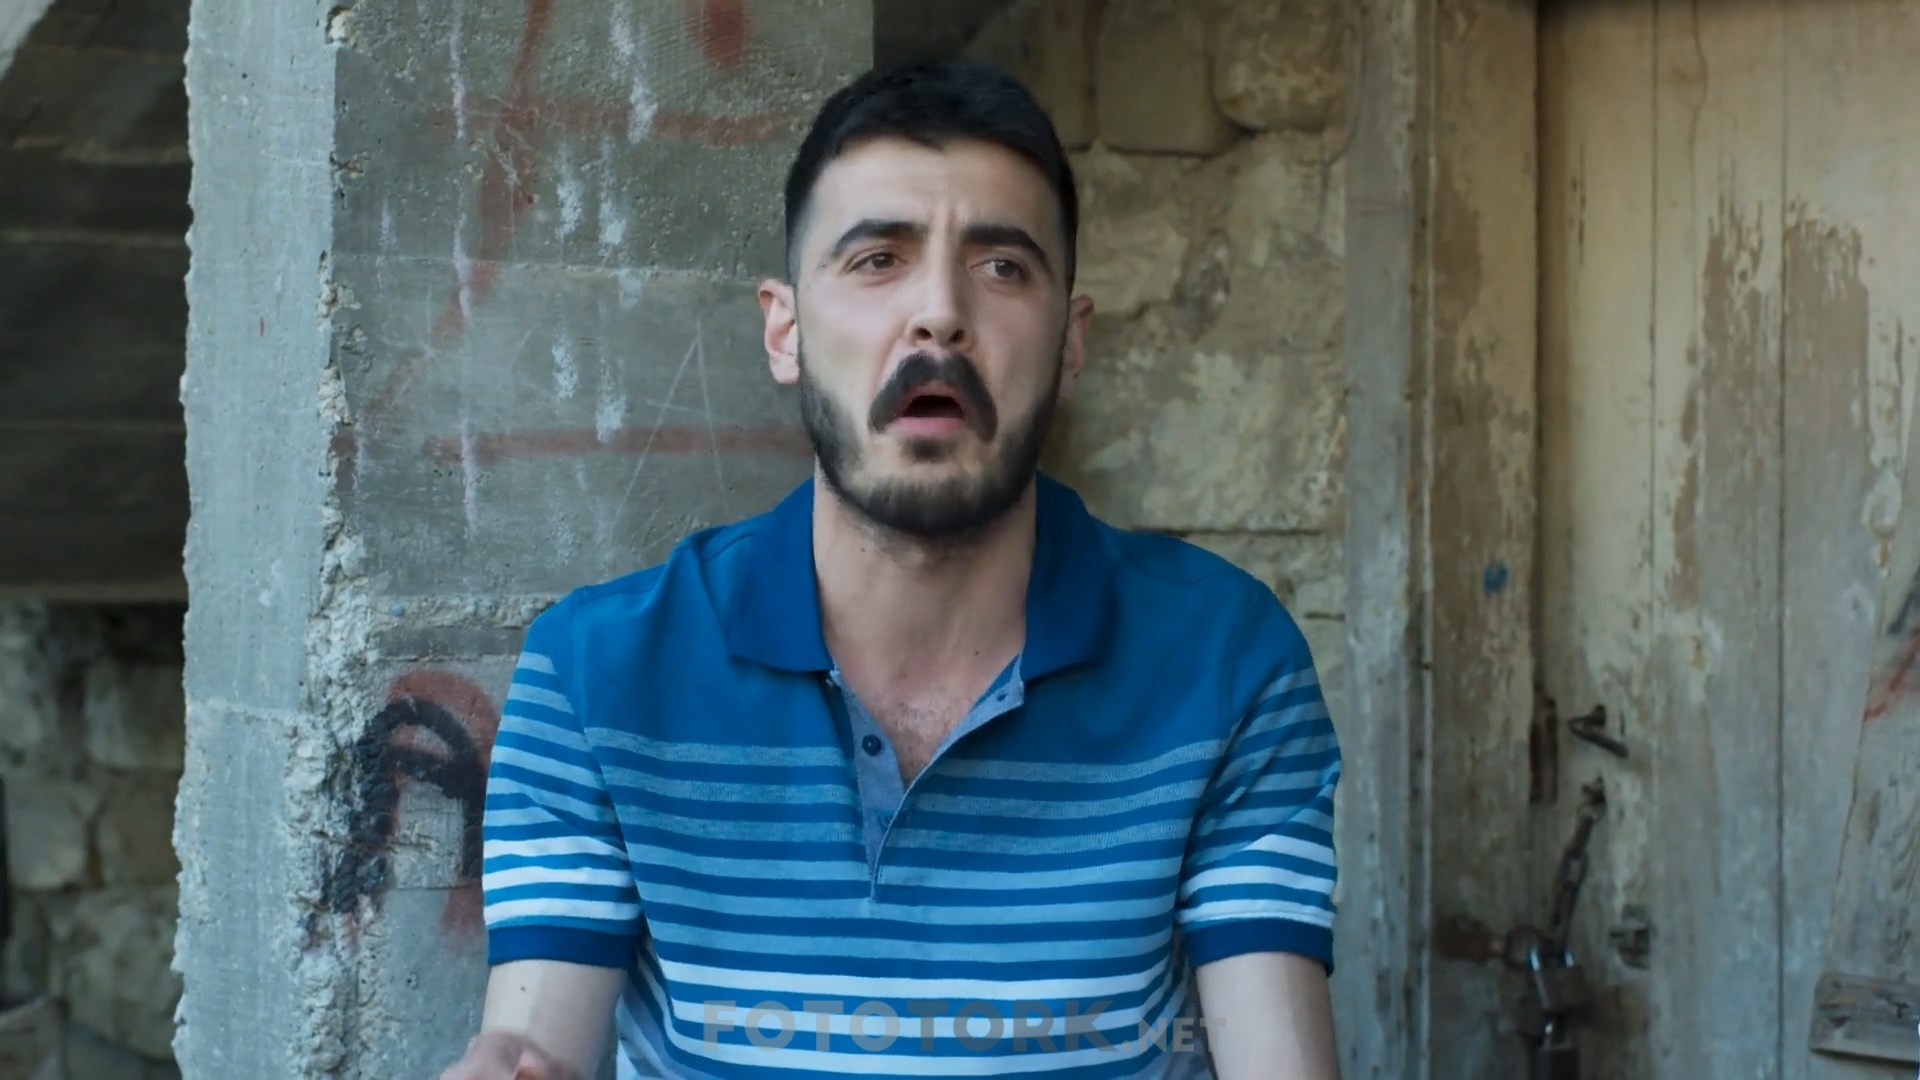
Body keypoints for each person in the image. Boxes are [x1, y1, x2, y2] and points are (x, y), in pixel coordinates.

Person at [440, 57, 1342, 1080]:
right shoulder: (597, 674)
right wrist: (502, 1064)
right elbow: (533, 1041)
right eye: (878, 259)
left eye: (1002, 267)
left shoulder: (1228, 662)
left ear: (1070, 344)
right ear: (785, 329)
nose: (940, 314)